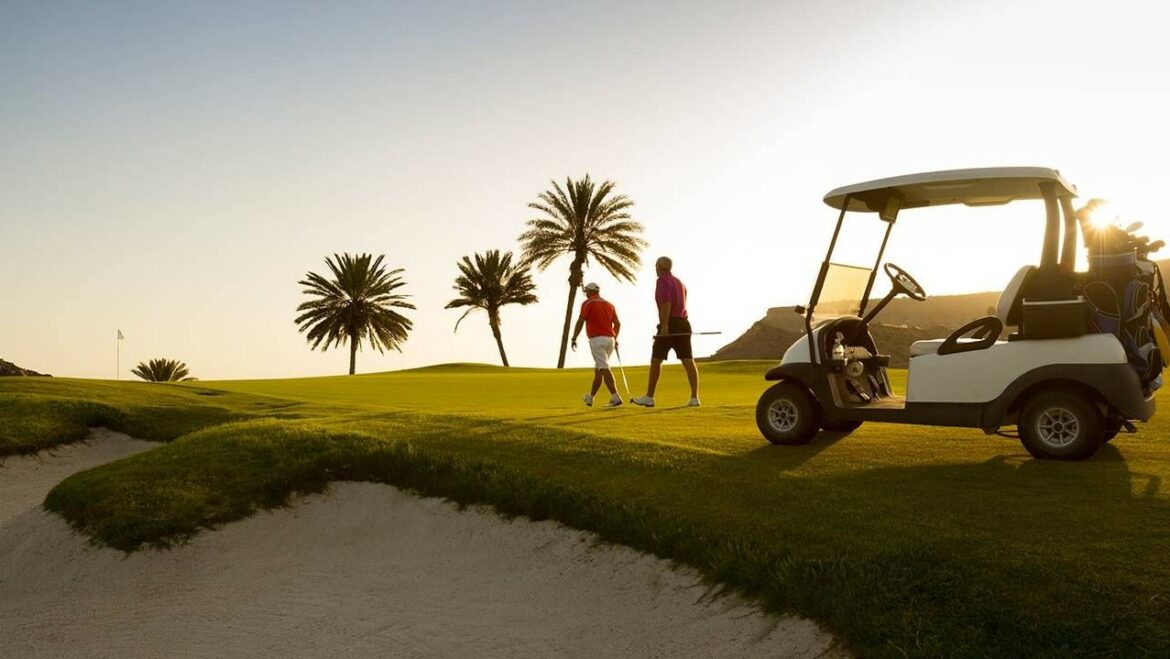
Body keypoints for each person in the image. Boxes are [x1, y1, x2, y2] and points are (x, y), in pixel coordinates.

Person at [632, 256, 700, 407]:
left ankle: (649, 397)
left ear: (660, 267)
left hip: (670, 323)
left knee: (656, 359)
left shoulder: (662, 281)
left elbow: (666, 304)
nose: (655, 268)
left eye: (656, 265)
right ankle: (694, 398)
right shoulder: (679, 282)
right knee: (688, 360)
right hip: (684, 323)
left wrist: (664, 326)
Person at [570, 282, 623, 407]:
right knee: (599, 369)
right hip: (610, 340)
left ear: (590, 292)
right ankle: (591, 397)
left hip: (597, 340)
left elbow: (581, 320)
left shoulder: (588, 303)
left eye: (586, 291)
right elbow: (617, 324)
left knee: (604, 368)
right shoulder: (609, 304)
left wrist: (574, 337)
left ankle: (615, 397)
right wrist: (615, 338)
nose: (586, 294)